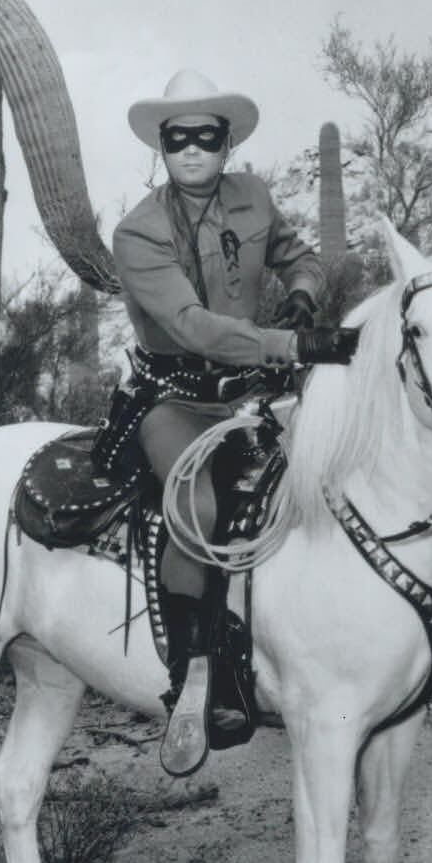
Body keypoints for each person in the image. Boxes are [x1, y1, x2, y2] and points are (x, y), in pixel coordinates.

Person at [111, 68, 358, 776]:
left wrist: (304, 296)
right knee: (200, 506)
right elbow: (190, 327)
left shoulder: (253, 196)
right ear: (162, 147)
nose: (192, 149)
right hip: (178, 398)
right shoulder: (138, 232)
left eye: (206, 135)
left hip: (256, 392)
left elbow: (297, 257)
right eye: (178, 138)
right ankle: (193, 678)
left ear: (227, 141)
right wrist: (292, 345)